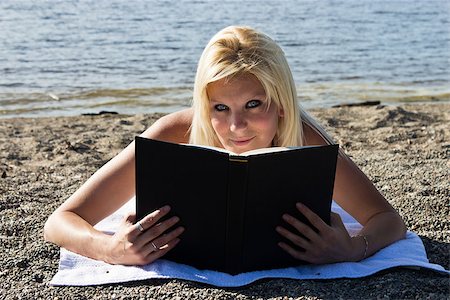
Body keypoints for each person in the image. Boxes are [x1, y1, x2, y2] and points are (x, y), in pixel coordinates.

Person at [44, 25, 406, 267]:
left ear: (281, 103)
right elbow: (60, 222)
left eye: (253, 105)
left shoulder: (305, 139)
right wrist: (109, 248)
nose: (236, 126)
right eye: (220, 108)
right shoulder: (173, 133)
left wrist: (353, 250)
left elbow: (388, 220)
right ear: (204, 106)